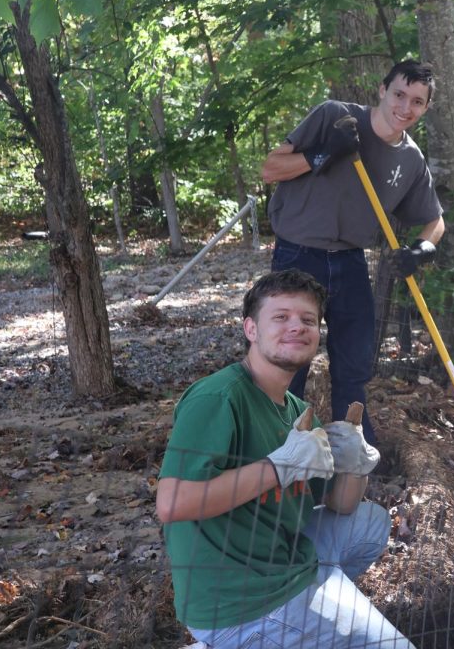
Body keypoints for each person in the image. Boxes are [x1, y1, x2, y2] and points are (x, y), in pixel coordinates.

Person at [156, 269, 413, 649]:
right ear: (251, 330)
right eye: (281, 317)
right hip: (235, 603)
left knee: (369, 523)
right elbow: (172, 505)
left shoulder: (297, 410)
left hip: (278, 564)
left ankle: (304, 621)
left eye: (308, 320)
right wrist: (278, 468)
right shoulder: (218, 397)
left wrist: (354, 466)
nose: (297, 327)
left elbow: (342, 505)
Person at [261, 60, 446, 446]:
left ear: (425, 108)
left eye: (417, 101)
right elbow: (270, 169)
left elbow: (435, 221)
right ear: (382, 90)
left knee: (355, 362)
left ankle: (352, 448)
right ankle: (275, 441)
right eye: (399, 94)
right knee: (288, 356)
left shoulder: (410, 159)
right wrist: (323, 154)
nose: (405, 107)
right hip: (298, 256)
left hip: (350, 260)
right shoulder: (336, 117)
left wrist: (423, 249)